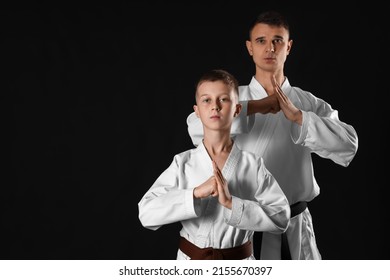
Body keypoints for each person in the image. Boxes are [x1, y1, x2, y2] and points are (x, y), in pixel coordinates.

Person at [186, 11, 358, 260]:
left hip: (293, 228)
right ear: (250, 48)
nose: (270, 48)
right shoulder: (231, 98)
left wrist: (300, 118)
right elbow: (194, 126)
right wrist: (255, 107)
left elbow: (348, 145)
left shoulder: (305, 102)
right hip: (241, 225)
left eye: (277, 40)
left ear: (288, 47)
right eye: (261, 41)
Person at [138, 69, 290, 260]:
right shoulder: (183, 163)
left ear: (237, 109)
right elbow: (146, 213)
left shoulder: (253, 164)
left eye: (224, 99)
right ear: (197, 112)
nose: (215, 107)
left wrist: (231, 203)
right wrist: (194, 193)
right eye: (206, 100)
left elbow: (281, 217)